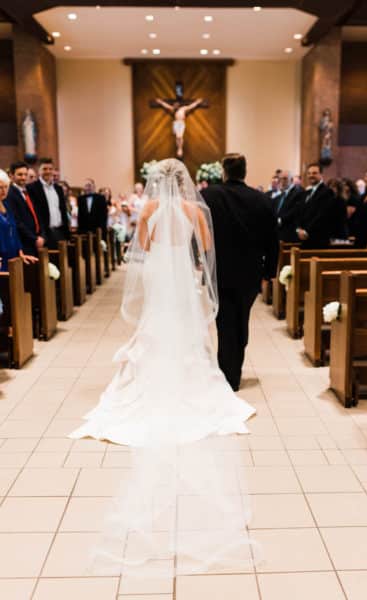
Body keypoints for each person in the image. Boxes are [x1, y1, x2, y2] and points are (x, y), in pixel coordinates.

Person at [69, 159, 259, 577]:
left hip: (159, 275)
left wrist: (163, 255)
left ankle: (149, 379)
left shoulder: (152, 209)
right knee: (188, 332)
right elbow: (206, 250)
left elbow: (141, 247)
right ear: (186, 182)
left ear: (158, 182)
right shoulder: (194, 210)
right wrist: (188, 257)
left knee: (156, 327)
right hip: (183, 278)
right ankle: (190, 382)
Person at [202, 153, 278, 391]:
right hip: (249, 273)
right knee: (241, 320)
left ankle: (228, 375)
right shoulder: (261, 199)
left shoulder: (208, 195)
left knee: (225, 324)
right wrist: (269, 271)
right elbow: (272, 239)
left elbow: (199, 230)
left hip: (220, 271)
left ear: (224, 172)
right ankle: (233, 369)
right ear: (244, 172)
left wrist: (199, 259)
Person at [27, 157, 70, 249]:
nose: (48, 171)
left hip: (60, 231)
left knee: (62, 261)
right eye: (44, 169)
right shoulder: (32, 188)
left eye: (50, 169)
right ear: (39, 171)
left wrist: (67, 234)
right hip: (45, 233)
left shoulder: (58, 189)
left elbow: (62, 210)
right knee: (48, 262)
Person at [0, 169, 38, 271]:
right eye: (0, 187)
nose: (4, 191)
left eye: (6, 187)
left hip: (13, 256)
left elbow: (14, 231)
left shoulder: (7, 206)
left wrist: (20, 252)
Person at [6, 161, 46, 256]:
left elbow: (38, 215)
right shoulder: (9, 194)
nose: (23, 177)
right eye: (20, 174)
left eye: (25, 174)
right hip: (24, 243)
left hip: (36, 240)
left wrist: (42, 235)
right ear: (11, 176)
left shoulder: (29, 191)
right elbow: (16, 221)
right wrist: (34, 238)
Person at [294, 163, 336, 248]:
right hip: (304, 239)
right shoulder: (306, 193)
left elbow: (322, 215)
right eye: (309, 173)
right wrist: (298, 229)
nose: (311, 175)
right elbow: (299, 212)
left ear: (321, 174)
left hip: (318, 239)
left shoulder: (327, 192)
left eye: (314, 173)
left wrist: (306, 231)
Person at [273, 170, 304, 242]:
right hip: (278, 234)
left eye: (284, 179)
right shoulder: (280, 196)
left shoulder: (298, 193)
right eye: (280, 179)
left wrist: (279, 220)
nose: (282, 181)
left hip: (289, 235)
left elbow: (294, 211)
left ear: (291, 180)